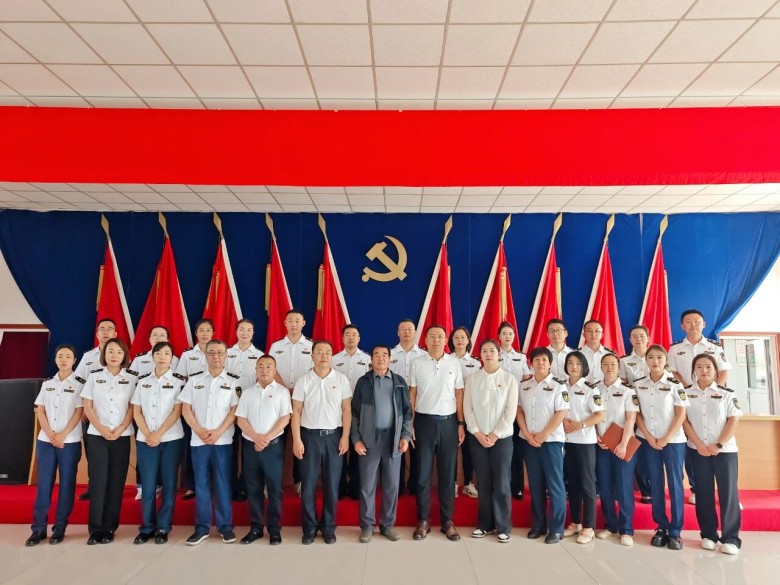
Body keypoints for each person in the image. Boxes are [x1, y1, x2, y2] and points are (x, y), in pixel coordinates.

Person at [179, 339, 241, 546]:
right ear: (205, 355)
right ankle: (202, 528)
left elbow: (234, 411)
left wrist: (218, 432)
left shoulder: (233, 381)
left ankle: (225, 527)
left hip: (222, 441)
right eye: (212, 353)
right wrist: (198, 430)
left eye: (220, 353)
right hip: (199, 441)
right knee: (201, 484)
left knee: (223, 483)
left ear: (226, 355)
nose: (216, 356)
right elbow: (186, 408)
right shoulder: (194, 380)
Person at [667, 309, 732, 506]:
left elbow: (724, 371)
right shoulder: (675, 349)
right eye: (688, 321)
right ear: (682, 326)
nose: (693, 324)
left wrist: (714, 390)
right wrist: (689, 390)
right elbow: (673, 373)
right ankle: (696, 488)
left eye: (697, 321)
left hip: (714, 398)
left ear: (704, 324)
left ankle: (727, 493)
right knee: (692, 443)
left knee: (719, 439)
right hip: (688, 398)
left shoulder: (714, 346)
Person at [291, 340, 352, 544]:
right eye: (319, 352)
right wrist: (297, 439)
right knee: (308, 485)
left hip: (334, 437)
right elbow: (296, 411)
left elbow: (346, 410)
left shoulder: (341, 379)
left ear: (332, 356)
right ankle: (309, 527)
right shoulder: (304, 380)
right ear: (312, 356)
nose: (324, 355)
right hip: (309, 437)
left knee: (332, 485)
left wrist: (345, 436)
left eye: (327, 352)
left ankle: (328, 527)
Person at [682, 354, 743, 555]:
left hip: (724, 451)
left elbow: (733, 421)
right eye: (699, 366)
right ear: (694, 370)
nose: (704, 370)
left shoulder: (726, 394)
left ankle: (731, 538)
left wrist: (718, 444)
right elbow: (684, 421)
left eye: (708, 366)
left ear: (715, 370)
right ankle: (708, 535)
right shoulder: (686, 393)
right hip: (697, 450)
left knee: (728, 493)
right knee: (703, 492)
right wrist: (699, 444)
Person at [351, 345, 412, 543]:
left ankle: (388, 525)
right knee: (367, 485)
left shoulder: (399, 381)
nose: (380, 358)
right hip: (369, 439)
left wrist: (405, 436)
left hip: (393, 439)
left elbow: (407, 413)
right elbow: (354, 413)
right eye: (376, 354)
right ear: (371, 359)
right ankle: (367, 526)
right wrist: (356, 439)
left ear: (390, 358)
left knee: (392, 485)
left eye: (384, 354)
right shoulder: (363, 382)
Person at [26, 344, 85, 546]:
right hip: (46, 440)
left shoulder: (80, 384)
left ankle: (59, 528)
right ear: (55, 359)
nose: (64, 359)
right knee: (44, 485)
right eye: (60, 356)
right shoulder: (47, 384)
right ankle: (38, 529)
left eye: (68, 356)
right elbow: (40, 410)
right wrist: (51, 434)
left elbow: (79, 412)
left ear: (74, 360)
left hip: (69, 441)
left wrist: (62, 434)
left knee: (67, 485)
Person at [411, 324, 465, 542]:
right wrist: (410, 424)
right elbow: (412, 394)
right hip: (423, 422)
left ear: (446, 340)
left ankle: (447, 521)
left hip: (448, 423)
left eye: (440, 337)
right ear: (425, 340)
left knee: (447, 475)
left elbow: (459, 394)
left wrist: (460, 423)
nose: (436, 340)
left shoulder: (454, 363)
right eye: (432, 336)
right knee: (423, 475)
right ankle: (423, 520)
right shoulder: (417, 363)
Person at [81, 338, 137, 545]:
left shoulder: (131, 378)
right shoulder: (94, 377)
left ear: (124, 356)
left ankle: (109, 528)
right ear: (104, 355)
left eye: (119, 352)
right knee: (98, 482)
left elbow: (133, 407)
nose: (114, 355)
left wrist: (120, 428)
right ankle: (95, 529)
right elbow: (87, 407)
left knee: (116, 482)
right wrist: (102, 429)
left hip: (121, 436)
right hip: (97, 436)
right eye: (110, 351)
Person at [635, 345, 689, 550]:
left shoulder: (675, 384)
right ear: (646, 360)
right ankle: (661, 526)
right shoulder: (638, 385)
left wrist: (666, 437)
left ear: (666, 360)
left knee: (675, 484)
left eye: (659, 357)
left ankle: (675, 531)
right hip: (648, 440)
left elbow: (681, 414)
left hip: (673, 441)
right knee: (655, 482)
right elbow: (637, 414)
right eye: (651, 357)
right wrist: (649, 437)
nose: (655, 361)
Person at [464, 339, 518, 543]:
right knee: (483, 481)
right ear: (480, 355)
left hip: (502, 439)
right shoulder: (472, 378)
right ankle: (484, 525)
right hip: (477, 437)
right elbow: (467, 409)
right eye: (484, 351)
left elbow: (510, 411)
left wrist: (495, 435)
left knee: (502, 481)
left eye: (492, 351)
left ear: (498, 354)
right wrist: (477, 433)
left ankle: (503, 526)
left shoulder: (509, 379)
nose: (488, 354)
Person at [131, 341, 185, 545]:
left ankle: (163, 526)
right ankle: (147, 527)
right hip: (146, 440)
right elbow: (136, 411)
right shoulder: (143, 381)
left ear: (172, 359)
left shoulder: (179, 381)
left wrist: (159, 433)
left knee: (169, 483)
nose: (162, 357)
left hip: (171, 439)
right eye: (159, 353)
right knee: (148, 485)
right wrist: (148, 433)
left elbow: (176, 412)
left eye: (167, 353)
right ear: (152, 357)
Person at [235, 355, 292, 546]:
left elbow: (285, 418)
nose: (264, 370)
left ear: (275, 370)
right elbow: (241, 419)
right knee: (253, 489)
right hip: (251, 447)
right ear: (256, 370)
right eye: (261, 366)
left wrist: (266, 438)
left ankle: (274, 529)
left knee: (275, 489)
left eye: (269, 366)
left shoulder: (282, 392)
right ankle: (256, 528)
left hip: (273, 448)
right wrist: (256, 437)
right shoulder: (248, 393)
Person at [516, 347, 568, 544]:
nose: (540, 363)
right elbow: (519, 410)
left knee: (555, 485)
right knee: (535, 485)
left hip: (551, 441)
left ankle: (556, 529)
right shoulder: (524, 386)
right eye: (536, 360)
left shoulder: (558, 386)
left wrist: (544, 434)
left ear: (550, 364)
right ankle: (538, 525)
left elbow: (561, 413)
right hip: (529, 440)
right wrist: (526, 433)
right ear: (531, 363)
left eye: (544, 360)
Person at [129, 325, 180, 502]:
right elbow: (131, 383)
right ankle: (142, 486)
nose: (158, 337)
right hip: (143, 415)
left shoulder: (176, 362)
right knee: (145, 456)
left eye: (162, 335)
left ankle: (160, 487)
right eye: (155, 334)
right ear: (149, 339)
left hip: (167, 422)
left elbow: (177, 397)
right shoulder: (139, 360)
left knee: (166, 463)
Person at [595, 352, 639, 547]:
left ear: (619, 368)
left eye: (613, 364)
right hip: (601, 445)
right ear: (601, 367)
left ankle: (626, 529)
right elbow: (592, 414)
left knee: (623, 487)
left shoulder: (628, 390)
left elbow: (631, 418)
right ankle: (610, 525)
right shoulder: (595, 389)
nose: (609, 367)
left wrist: (623, 443)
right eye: (605, 364)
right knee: (605, 487)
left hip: (622, 445)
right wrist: (596, 436)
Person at [268, 309, 314, 493]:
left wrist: (298, 389)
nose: (294, 324)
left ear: (303, 323)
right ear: (285, 323)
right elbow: (271, 369)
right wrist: (284, 389)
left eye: (297, 320)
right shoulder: (276, 346)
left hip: (304, 401)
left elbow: (314, 370)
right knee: (276, 441)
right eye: (290, 320)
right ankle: (272, 482)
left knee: (300, 440)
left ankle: (299, 481)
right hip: (280, 399)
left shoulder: (311, 346)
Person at [562, 351, 604, 544]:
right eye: (570, 363)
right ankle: (575, 522)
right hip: (567, 441)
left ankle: (589, 527)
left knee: (587, 485)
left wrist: (581, 425)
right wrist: (563, 421)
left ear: (584, 367)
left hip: (585, 442)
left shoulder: (590, 389)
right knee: (572, 484)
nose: (574, 367)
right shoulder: (561, 386)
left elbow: (599, 415)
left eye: (578, 364)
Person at [74, 318, 119, 501]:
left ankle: (111, 489)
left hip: (114, 415)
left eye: (109, 329)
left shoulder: (122, 354)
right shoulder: (88, 357)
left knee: (114, 455)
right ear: (97, 334)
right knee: (93, 453)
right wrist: (84, 408)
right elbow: (79, 382)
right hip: (90, 413)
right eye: (102, 329)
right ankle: (94, 487)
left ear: (116, 334)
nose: (106, 332)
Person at [175, 319, 215, 501]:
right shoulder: (187, 355)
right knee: (191, 448)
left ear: (213, 333)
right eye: (201, 330)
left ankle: (214, 485)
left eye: (208, 330)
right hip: (192, 407)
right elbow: (180, 379)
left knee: (216, 448)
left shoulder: (221, 352)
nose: (205, 334)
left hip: (215, 407)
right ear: (196, 334)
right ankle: (191, 486)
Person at [226, 318, 264, 502]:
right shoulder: (226, 353)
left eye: (249, 330)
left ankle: (246, 487)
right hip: (228, 408)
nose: (245, 333)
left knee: (249, 450)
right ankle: (231, 485)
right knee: (231, 449)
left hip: (251, 408)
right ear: (236, 331)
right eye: (241, 329)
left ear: (253, 333)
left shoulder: (259, 355)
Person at [332, 324, 370, 500]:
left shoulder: (368, 359)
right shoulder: (334, 360)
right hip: (338, 410)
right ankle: (339, 487)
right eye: (347, 334)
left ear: (359, 338)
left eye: (354, 334)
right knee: (338, 450)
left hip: (360, 411)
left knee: (357, 450)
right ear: (342, 338)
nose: (351, 337)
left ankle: (355, 487)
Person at [389, 319, 426, 495]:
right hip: (394, 406)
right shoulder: (390, 354)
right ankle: (398, 485)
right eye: (402, 329)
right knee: (398, 445)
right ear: (398, 332)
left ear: (415, 332)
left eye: (409, 329)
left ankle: (415, 484)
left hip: (418, 405)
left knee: (417, 447)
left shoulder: (424, 355)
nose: (406, 332)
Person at [497, 321, 531, 501]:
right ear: (499, 336)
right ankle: (500, 486)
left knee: (517, 451)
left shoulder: (521, 357)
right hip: (499, 409)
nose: (507, 336)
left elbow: (526, 381)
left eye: (510, 333)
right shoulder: (493, 355)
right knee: (500, 451)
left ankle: (516, 487)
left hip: (517, 409)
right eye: (504, 333)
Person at [619, 325, 652, 504]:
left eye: (642, 336)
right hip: (633, 409)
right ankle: (644, 489)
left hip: (654, 410)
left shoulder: (658, 357)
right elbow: (623, 384)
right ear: (630, 340)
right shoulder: (624, 361)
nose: (638, 339)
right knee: (636, 449)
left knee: (651, 451)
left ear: (648, 338)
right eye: (634, 336)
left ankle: (654, 488)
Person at [449, 326, 481, 499]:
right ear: (452, 341)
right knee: (451, 450)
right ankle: (453, 483)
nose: (460, 340)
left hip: (470, 411)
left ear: (468, 340)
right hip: (450, 411)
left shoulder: (476, 363)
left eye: (463, 337)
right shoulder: (446, 360)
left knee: (469, 450)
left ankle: (468, 483)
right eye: (456, 337)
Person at [579, 320, 612, 384]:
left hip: (604, 389)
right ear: (584, 335)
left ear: (602, 335)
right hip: (582, 389)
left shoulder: (610, 354)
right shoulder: (577, 354)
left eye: (597, 331)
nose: (593, 334)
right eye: (589, 331)